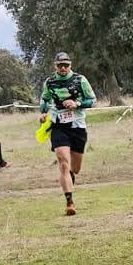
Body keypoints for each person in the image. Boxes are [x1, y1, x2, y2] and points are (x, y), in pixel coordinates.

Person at [40, 53, 96, 213]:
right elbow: (44, 99)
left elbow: (92, 100)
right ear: (54, 65)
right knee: (63, 162)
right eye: (60, 65)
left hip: (77, 126)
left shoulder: (80, 80)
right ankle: (69, 203)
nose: (63, 68)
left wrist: (76, 103)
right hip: (58, 125)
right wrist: (43, 112)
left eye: (66, 65)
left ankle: (71, 176)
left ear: (70, 65)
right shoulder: (50, 82)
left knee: (75, 168)